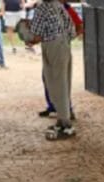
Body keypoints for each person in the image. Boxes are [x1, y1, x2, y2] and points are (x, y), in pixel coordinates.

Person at [29, 0, 76, 139]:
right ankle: (62, 121)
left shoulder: (41, 8)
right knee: (64, 83)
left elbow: (36, 35)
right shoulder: (59, 5)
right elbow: (72, 31)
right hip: (65, 45)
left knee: (55, 84)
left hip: (52, 46)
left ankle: (66, 125)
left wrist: (28, 38)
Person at [38, 0, 80, 119]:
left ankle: (66, 110)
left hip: (58, 49)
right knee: (48, 77)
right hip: (52, 47)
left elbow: (79, 26)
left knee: (60, 80)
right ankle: (53, 106)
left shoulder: (66, 9)